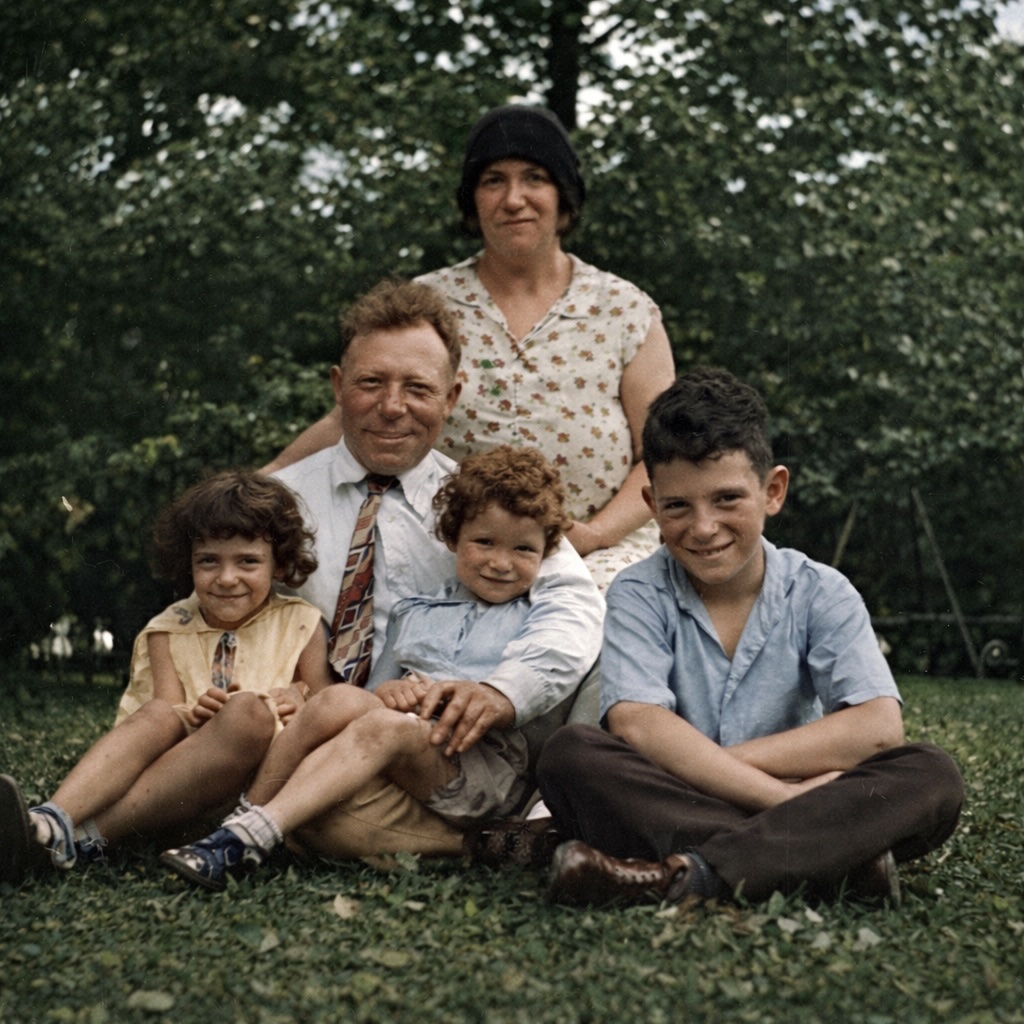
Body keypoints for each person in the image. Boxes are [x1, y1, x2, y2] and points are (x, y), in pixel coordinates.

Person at [157, 279, 602, 880]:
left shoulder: (486, 509)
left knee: (337, 809)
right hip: (294, 738)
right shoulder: (275, 504)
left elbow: (575, 607)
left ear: (452, 396)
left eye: (418, 388)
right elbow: (209, 612)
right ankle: (108, 828)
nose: (393, 406)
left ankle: (258, 830)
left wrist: (504, 692)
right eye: (371, 383)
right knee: (320, 797)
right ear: (340, 387)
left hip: (435, 756)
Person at [536, 367, 964, 908]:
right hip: (774, 802)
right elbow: (638, 724)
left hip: (682, 794)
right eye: (677, 506)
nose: (703, 527)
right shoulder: (637, 591)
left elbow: (877, 730)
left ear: (773, 491)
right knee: (570, 756)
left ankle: (685, 875)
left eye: (727, 500)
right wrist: (784, 801)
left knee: (931, 774)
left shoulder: (821, 591)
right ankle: (832, 863)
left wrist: (711, 765)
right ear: (651, 504)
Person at [263, 105, 677, 590]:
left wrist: (593, 535)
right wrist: (258, 484)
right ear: (472, 200)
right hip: (458, 550)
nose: (513, 198)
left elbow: (663, 456)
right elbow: (359, 414)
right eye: (493, 181)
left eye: (534, 178)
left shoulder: (624, 310)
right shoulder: (429, 304)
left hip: (600, 554)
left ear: (563, 196)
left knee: (603, 632)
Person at [160, 445, 592, 889]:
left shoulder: (540, 617)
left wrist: (475, 693)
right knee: (337, 697)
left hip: (483, 771)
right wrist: (390, 694)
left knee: (387, 729)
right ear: (452, 538)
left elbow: (541, 694)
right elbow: (372, 696)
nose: (501, 563)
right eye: (484, 542)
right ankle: (243, 821)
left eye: (524, 549)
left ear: (547, 551)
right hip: (405, 753)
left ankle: (255, 832)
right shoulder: (416, 611)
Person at [0, 471, 333, 883]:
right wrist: (196, 715)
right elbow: (165, 717)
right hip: (168, 794)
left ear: (280, 564)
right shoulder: (169, 629)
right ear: (188, 563)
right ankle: (50, 820)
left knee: (249, 713)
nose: (227, 578)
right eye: (208, 561)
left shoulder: (302, 624)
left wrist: (300, 703)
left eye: (247, 561)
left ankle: (85, 837)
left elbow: (328, 709)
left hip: (247, 806)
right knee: (161, 713)